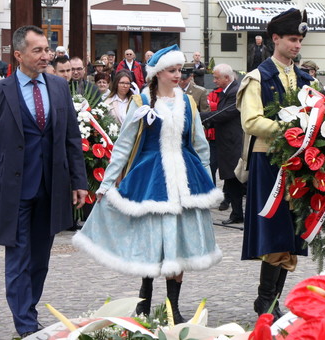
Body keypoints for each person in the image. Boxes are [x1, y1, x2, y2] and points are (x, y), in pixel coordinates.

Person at [72, 44, 222, 324]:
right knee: (153, 240)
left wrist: (204, 180)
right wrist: (105, 184)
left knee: (178, 243)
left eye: (180, 70)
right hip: (152, 177)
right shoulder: (141, 103)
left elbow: (199, 143)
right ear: (157, 73)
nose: (178, 75)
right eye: (172, 70)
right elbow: (124, 145)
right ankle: (145, 294)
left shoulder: (187, 102)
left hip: (184, 179)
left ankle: (172, 307)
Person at [0, 25, 88, 338]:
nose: (46, 55)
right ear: (18, 55)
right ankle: (26, 324)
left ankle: (29, 310)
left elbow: (71, 138)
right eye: (38, 50)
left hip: (51, 187)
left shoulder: (58, 86)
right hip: (15, 190)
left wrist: (78, 182)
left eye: (47, 49)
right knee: (18, 258)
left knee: (40, 260)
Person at [236, 8, 314, 320]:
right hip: (268, 161)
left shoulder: (306, 77)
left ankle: (269, 300)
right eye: (292, 39)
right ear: (275, 39)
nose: (297, 45)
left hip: (300, 163)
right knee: (275, 231)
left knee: (292, 233)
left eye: (300, 40)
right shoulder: (257, 77)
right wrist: (292, 129)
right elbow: (251, 121)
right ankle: (266, 300)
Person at [203, 64, 243, 225]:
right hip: (225, 142)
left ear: (227, 78)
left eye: (216, 77)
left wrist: (201, 117)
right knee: (231, 180)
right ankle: (237, 213)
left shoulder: (235, 92)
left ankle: (238, 213)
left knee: (235, 180)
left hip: (233, 143)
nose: (214, 80)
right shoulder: (227, 91)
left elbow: (225, 113)